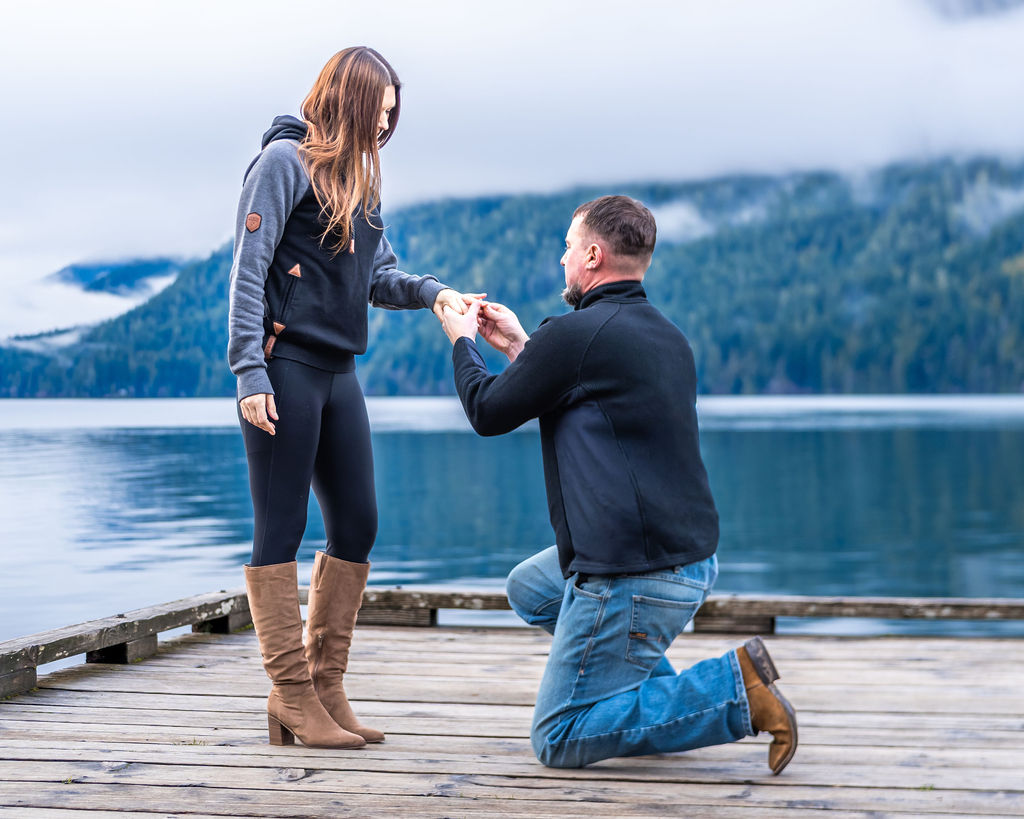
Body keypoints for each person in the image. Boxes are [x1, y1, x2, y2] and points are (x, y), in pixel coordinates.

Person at [437, 195, 797, 773]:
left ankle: (733, 692)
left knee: (558, 736)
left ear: (594, 256)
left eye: (568, 248)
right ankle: (651, 698)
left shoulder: (576, 336)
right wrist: (520, 347)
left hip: (633, 572)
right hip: (689, 562)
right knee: (532, 588)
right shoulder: (666, 337)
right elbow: (585, 390)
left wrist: (461, 339)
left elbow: (486, 410)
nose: (563, 260)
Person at [227, 47, 478, 749]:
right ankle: (290, 695)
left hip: (339, 372)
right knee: (279, 528)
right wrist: (249, 372)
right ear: (348, 103)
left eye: (393, 119)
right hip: (285, 369)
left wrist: (435, 294)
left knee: (358, 524)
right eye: (379, 115)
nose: (385, 130)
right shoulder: (281, 165)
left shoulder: (359, 180)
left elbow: (381, 274)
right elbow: (248, 273)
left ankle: (325, 685)